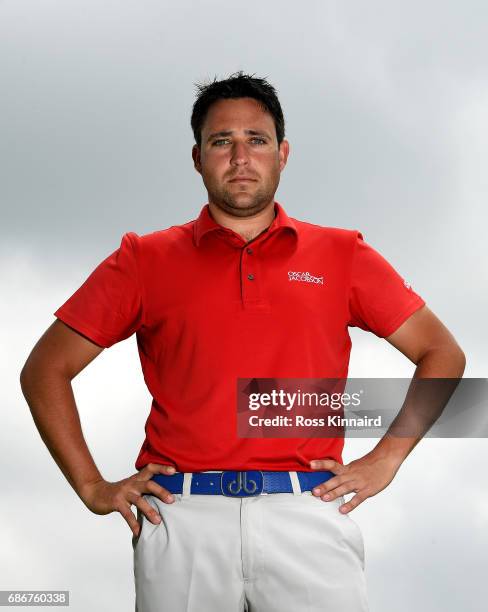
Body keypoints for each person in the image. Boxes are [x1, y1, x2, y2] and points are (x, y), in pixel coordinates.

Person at [20, 71, 465, 612]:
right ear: (196, 157)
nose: (239, 156)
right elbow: (44, 369)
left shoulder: (343, 255)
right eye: (220, 141)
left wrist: (387, 458)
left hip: (308, 512)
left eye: (255, 140)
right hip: (181, 518)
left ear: (282, 153)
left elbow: (442, 353)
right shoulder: (144, 259)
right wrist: (92, 487)